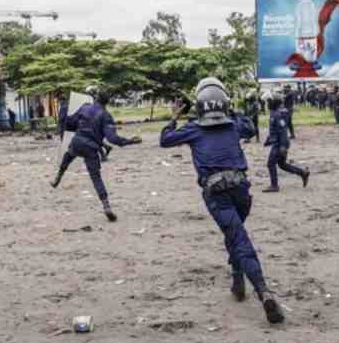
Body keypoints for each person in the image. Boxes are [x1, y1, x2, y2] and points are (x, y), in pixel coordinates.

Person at [159, 77, 285, 324]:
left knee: (238, 239)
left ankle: (263, 291)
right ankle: (237, 279)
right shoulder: (233, 126)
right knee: (236, 234)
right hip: (241, 190)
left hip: (216, 193)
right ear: (224, 104)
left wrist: (174, 116)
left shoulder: (194, 128)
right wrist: (233, 110)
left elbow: (165, 139)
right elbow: (250, 128)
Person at [49, 86, 142, 221]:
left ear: (96, 98)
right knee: (96, 178)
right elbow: (113, 139)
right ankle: (106, 206)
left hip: (77, 142)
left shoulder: (85, 107)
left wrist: (76, 127)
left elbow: (70, 123)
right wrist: (130, 141)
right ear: (107, 102)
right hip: (91, 148)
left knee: (68, 155)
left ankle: (58, 176)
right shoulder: (106, 116)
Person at [263, 91, 310, 192]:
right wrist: (268, 140)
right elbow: (274, 130)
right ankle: (303, 173)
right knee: (282, 164)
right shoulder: (274, 113)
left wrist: (283, 146)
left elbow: (283, 131)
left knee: (271, 164)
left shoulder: (277, 115)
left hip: (280, 143)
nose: (267, 104)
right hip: (278, 143)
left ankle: (274, 185)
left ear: (274, 103)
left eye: (269, 102)